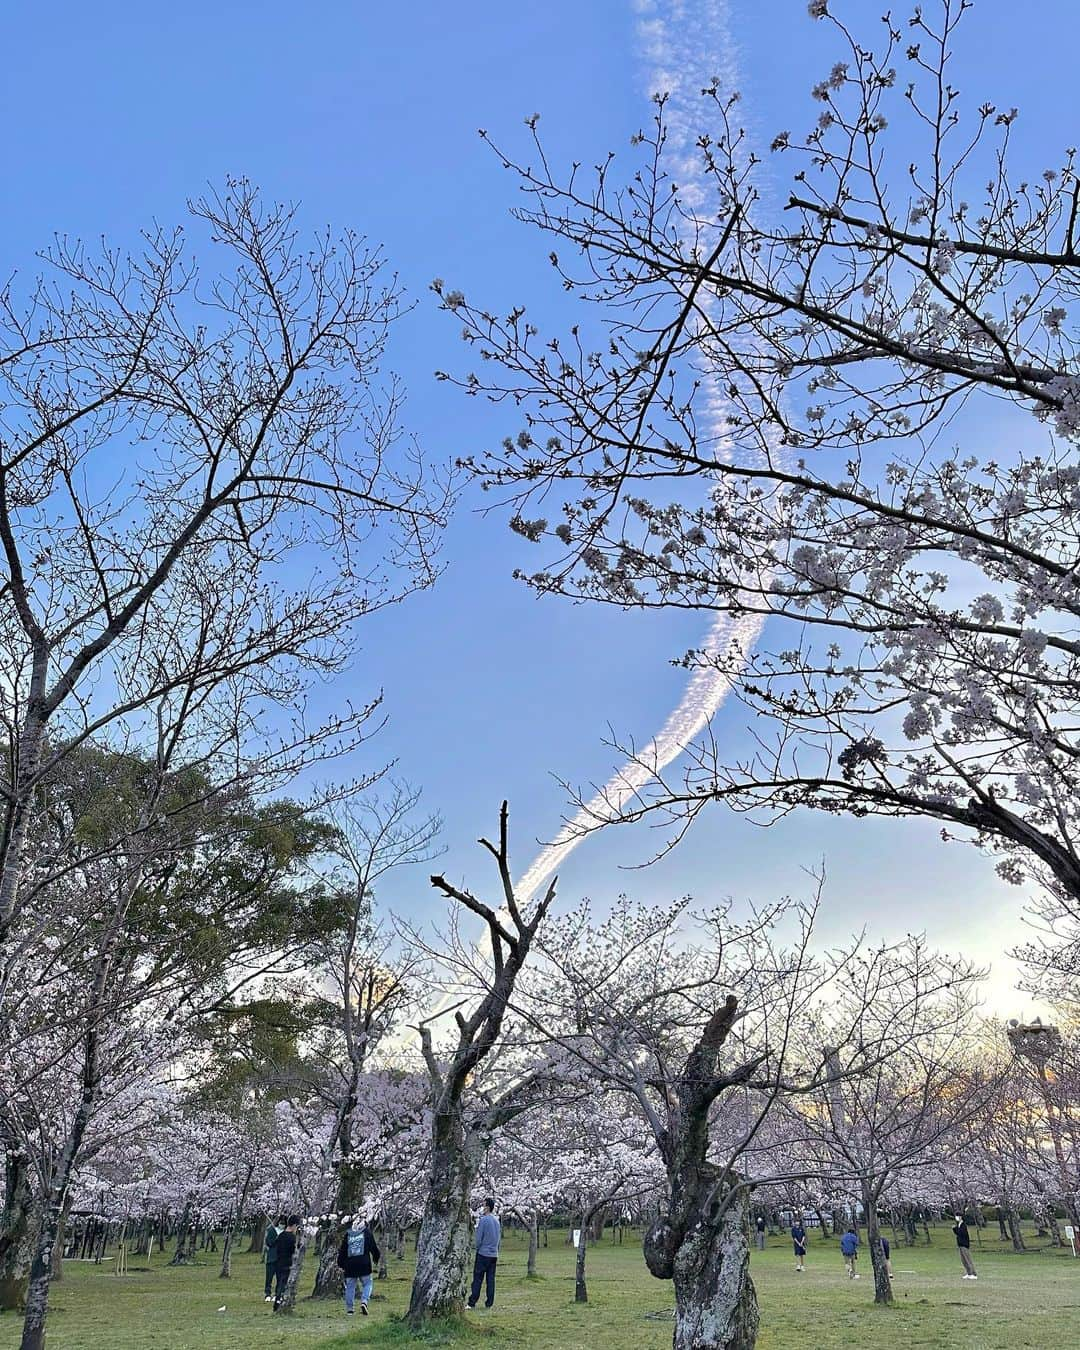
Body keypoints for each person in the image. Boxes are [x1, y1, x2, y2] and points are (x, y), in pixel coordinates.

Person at [337, 1216, 380, 1316]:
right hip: (364, 1263)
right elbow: (373, 1247)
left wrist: (341, 1264)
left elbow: (342, 1251)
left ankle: (350, 1309)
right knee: (367, 1284)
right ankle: (364, 1301)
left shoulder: (348, 1235)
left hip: (350, 1264)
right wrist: (376, 1258)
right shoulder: (367, 1233)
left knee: (350, 1287)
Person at [467, 1198, 501, 1310]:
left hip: (483, 1253)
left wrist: (475, 1248)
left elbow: (478, 1239)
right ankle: (489, 1303)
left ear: (487, 1207)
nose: (482, 1207)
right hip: (494, 1254)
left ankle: (472, 1302)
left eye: (484, 1205)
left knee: (478, 1278)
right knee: (490, 1279)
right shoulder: (497, 1221)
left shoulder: (483, 1220)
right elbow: (498, 1238)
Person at [272, 1216, 300, 1308]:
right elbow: (293, 1251)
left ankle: (277, 1302)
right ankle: (280, 1303)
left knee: (279, 1283)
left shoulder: (280, 1236)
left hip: (278, 1262)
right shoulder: (292, 1238)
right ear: (294, 1225)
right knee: (284, 1285)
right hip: (287, 1263)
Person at [263, 1217, 282, 1301]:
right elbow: (269, 1243)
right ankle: (267, 1294)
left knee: (280, 1278)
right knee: (269, 1278)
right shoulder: (272, 1231)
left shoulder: (285, 1232)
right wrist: (276, 1240)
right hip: (271, 1258)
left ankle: (278, 1294)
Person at [952, 1215, 978, 1279]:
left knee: (967, 1259)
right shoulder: (959, 1224)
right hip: (960, 1244)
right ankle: (969, 1273)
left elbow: (961, 1233)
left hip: (964, 1245)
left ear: (960, 1217)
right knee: (963, 1260)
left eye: (957, 1216)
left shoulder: (963, 1225)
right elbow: (958, 1233)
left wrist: (955, 1228)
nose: (956, 1217)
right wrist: (955, 1229)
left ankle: (973, 1274)